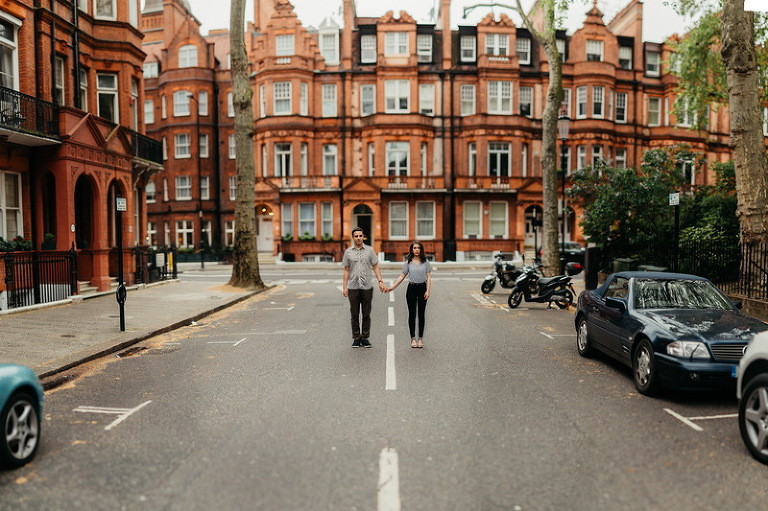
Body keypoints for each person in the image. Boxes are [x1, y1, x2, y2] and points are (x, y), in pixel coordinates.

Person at [342, 227, 387, 348]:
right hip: (353, 287)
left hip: (367, 286)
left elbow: (376, 267)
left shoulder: (370, 250)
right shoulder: (348, 252)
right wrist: (344, 286)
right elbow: (346, 270)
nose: (358, 238)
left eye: (360, 236)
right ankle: (356, 338)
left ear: (363, 237)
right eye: (356, 236)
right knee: (354, 314)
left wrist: (380, 281)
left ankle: (365, 337)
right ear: (353, 237)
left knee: (366, 314)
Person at [387, 241, 432, 348]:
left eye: (418, 248)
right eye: (414, 248)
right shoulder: (408, 262)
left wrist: (428, 291)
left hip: (422, 288)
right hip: (411, 289)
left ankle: (420, 339)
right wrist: (392, 287)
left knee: (421, 314)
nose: (416, 250)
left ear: (421, 250)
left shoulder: (425, 262)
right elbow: (402, 276)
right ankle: (412, 339)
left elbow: (429, 277)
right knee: (412, 314)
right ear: (412, 250)